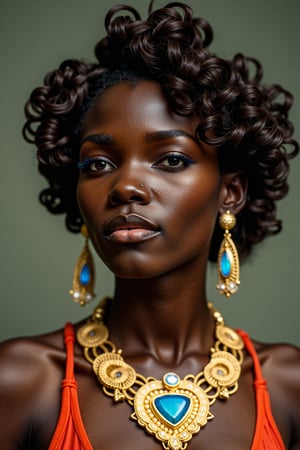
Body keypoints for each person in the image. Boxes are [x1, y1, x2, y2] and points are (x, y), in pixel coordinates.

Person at [0, 1, 299, 449]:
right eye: (98, 163)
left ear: (230, 192)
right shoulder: (22, 380)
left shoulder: (286, 387)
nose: (125, 188)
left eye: (171, 159)